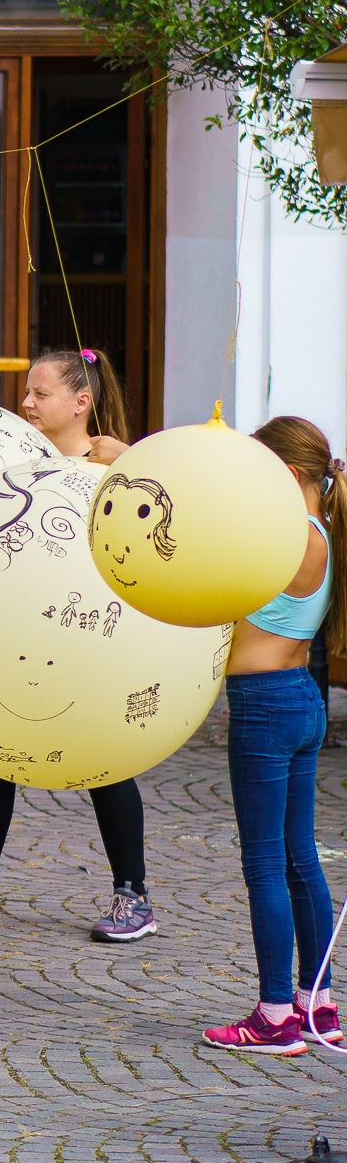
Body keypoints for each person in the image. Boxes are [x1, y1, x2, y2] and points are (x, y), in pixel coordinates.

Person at [0, 345, 156, 940]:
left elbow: (162, 528)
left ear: (81, 402)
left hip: (93, 635)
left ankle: (132, 897)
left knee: (106, 757)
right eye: (27, 392)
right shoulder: (13, 459)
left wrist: (131, 464)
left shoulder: (114, 463)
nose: (26, 402)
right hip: (16, 631)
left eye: (40, 393)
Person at [203, 416, 347, 1055]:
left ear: (287, 477)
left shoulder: (286, 537)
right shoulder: (320, 532)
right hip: (300, 699)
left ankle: (273, 1016)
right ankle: (317, 1006)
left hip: (263, 708)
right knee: (298, 858)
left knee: (265, 862)